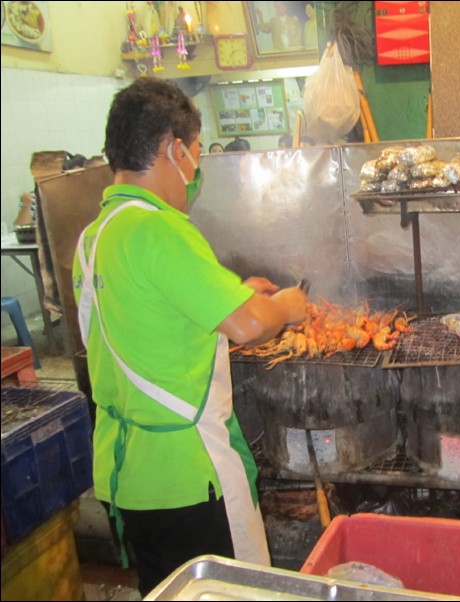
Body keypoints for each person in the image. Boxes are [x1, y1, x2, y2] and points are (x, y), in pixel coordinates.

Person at [72, 77, 308, 596]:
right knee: (228, 592)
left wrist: (238, 291)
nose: (196, 168)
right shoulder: (160, 229)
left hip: (127, 474)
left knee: (167, 590)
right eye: (196, 152)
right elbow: (250, 325)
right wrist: (286, 307)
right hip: (186, 476)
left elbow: (148, 320)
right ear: (171, 149)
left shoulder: (95, 238)